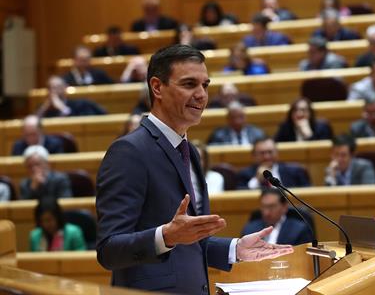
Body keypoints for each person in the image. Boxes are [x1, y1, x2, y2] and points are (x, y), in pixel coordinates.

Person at [95, 44, 293, 293]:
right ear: (157, 87)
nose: (201, 94)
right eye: (189, 84)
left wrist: (234, 249)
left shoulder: (191, 151)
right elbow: (109, 250)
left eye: (205, 85)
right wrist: (166, 236)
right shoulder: (129, 152)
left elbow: (189, 242)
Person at [241, 188, 313, 245]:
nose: (266, 212)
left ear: (284, 207)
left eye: (271, 207)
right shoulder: (249, 230)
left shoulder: (299, 230)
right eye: (263, 206)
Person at [237, 137, 311, 189]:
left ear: (277, 153)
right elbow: (241, 199)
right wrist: (257, 180)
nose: (267, 156)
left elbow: (307, 195)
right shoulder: (244, 175)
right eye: (262, 153)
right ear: (254, 156)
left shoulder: (295, 172)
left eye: (270, 152)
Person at [36, 76, 107, 118]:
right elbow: (35, 121)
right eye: (50, 88)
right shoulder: (44, 107)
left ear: (65, 88)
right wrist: (45, 107)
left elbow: (73, 119)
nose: (53, 91)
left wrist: (61, 107)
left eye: (57, 87)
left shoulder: (77, 105)